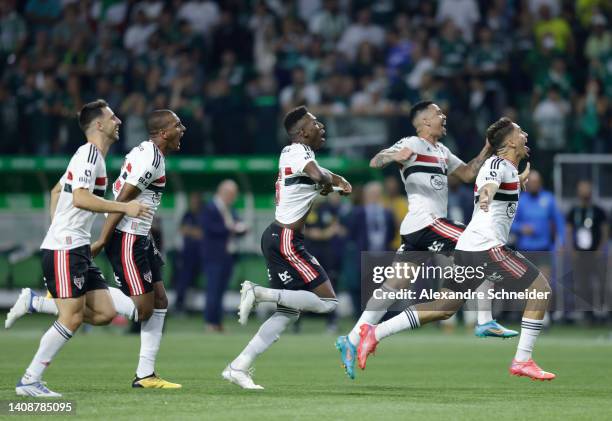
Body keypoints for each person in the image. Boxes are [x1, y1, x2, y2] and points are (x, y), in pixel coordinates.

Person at [358, 117, 557, 381]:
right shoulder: (497, 164)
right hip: (487, 247)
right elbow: (490, 184)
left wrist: (516, 182)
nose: (525, 135)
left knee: (444, 307)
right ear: (509, 141)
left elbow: (498, 186)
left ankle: (374, 332)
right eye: (520, 132)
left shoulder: (506, 168)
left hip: (469, 247)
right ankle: (522, 360)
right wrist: (487, 193)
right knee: (540, 289)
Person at [335, 101, 516, 380]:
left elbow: (468, 173)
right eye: (438, 114)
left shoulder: (442, 151)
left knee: (393, 286)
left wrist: (486, 149)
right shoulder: (412, 143)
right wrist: (395, 155)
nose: (444, 116)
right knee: (482, 242)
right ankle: (484, 321)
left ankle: (351, 339)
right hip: (428, 222)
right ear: (423, 122)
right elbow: (376, 160)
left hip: (417, 228)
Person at [12, 100, 151, 397]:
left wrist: (59, 228)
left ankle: (36, 303)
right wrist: (124, 207)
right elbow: (80, 199)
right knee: (72, 317)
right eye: (112, 117)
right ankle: (30, 380)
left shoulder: (90, 157)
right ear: (98, 124)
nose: (119, 121)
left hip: (72, 246)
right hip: (66, 248)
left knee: (103, 313)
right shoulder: (89, 153)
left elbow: (55, 191)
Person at [222, 106, 352, 389]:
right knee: (329, 302)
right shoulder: (299, 152)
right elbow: (318, 176)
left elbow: (317, 177)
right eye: (316, 123)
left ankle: (238, 366)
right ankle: (259, 293)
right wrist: (331, 183)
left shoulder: (292, 153)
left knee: (287, 313)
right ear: (303, 132)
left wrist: (335, 181)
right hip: (287, 240)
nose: (322, 127)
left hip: (278, 236)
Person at [90, 109, 185, 388]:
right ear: (164, 132)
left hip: (141, 238)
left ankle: (145, 375)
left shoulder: (147, 152)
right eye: (178, 125)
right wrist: (103, 240)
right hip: (128, 238)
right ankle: (70, 287)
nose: (184, 128)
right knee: (142, 310)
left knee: (160, 301)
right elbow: (121, 201)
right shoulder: (151, 160)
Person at [201, 179, 246, 332]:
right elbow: (210, 229)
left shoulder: (230, 209)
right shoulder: (210, 208)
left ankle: (217, 322)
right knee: (213, 289)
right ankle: (209, 322)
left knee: (221, 290)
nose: (233, 197)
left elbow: (237, 224)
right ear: (223, 192)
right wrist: (232, 229)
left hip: (228, 256)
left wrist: (241, 229)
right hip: (213, 256)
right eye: (232, 194)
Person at [566, 180, 609, 321]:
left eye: (587, 189)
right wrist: (571, 249)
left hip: (595, 253)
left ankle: (604, 311)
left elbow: (605, 231)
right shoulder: (574, 211)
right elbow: (569, 231)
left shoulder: (598, 211)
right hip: (580, 254)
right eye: (582, 189)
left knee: (602, 282)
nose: (584, 192)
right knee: (583, 284)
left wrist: (601, 249)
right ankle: (587, 313)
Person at [173, 192, 204, 314]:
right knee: (183, 279)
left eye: (196, 200)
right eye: (192, 200)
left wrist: (190, 231)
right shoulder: (188, 214)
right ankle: (179, 305)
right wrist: (194, 231)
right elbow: (182, 230)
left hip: (201, 253)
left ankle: (195, 307)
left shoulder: (204, 214)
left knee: (198, 279)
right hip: (188, 253)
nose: (194, 203)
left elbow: (203, 234)